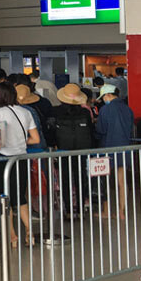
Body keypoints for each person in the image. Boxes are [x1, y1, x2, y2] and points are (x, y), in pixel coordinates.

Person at [0, 82, 40, 247]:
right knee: (20, 198)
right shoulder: (25, 112)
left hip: (3, 161)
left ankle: (13, 236)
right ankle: (30, 233)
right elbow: (36, 139)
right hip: (21, 159)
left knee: (5, 199)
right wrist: (21, 142)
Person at [53, 83, 94, 216]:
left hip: (63, 151)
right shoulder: (85, 112)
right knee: (80, 179)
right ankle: (81, 209)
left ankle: (69, 210)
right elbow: (91, 131)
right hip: (81, 151)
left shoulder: (57, 112)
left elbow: (52, 132)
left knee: (65, 180)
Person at [96, 84, 134, 220]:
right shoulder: (128, 109)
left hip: (108, 147)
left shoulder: (105, 110)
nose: (103, 100)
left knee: (105, 181)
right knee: (122, 181)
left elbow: (100, 130)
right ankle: (121, 212)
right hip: (125, 148)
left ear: (108, 95)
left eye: (103, 97)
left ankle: (106, 211)